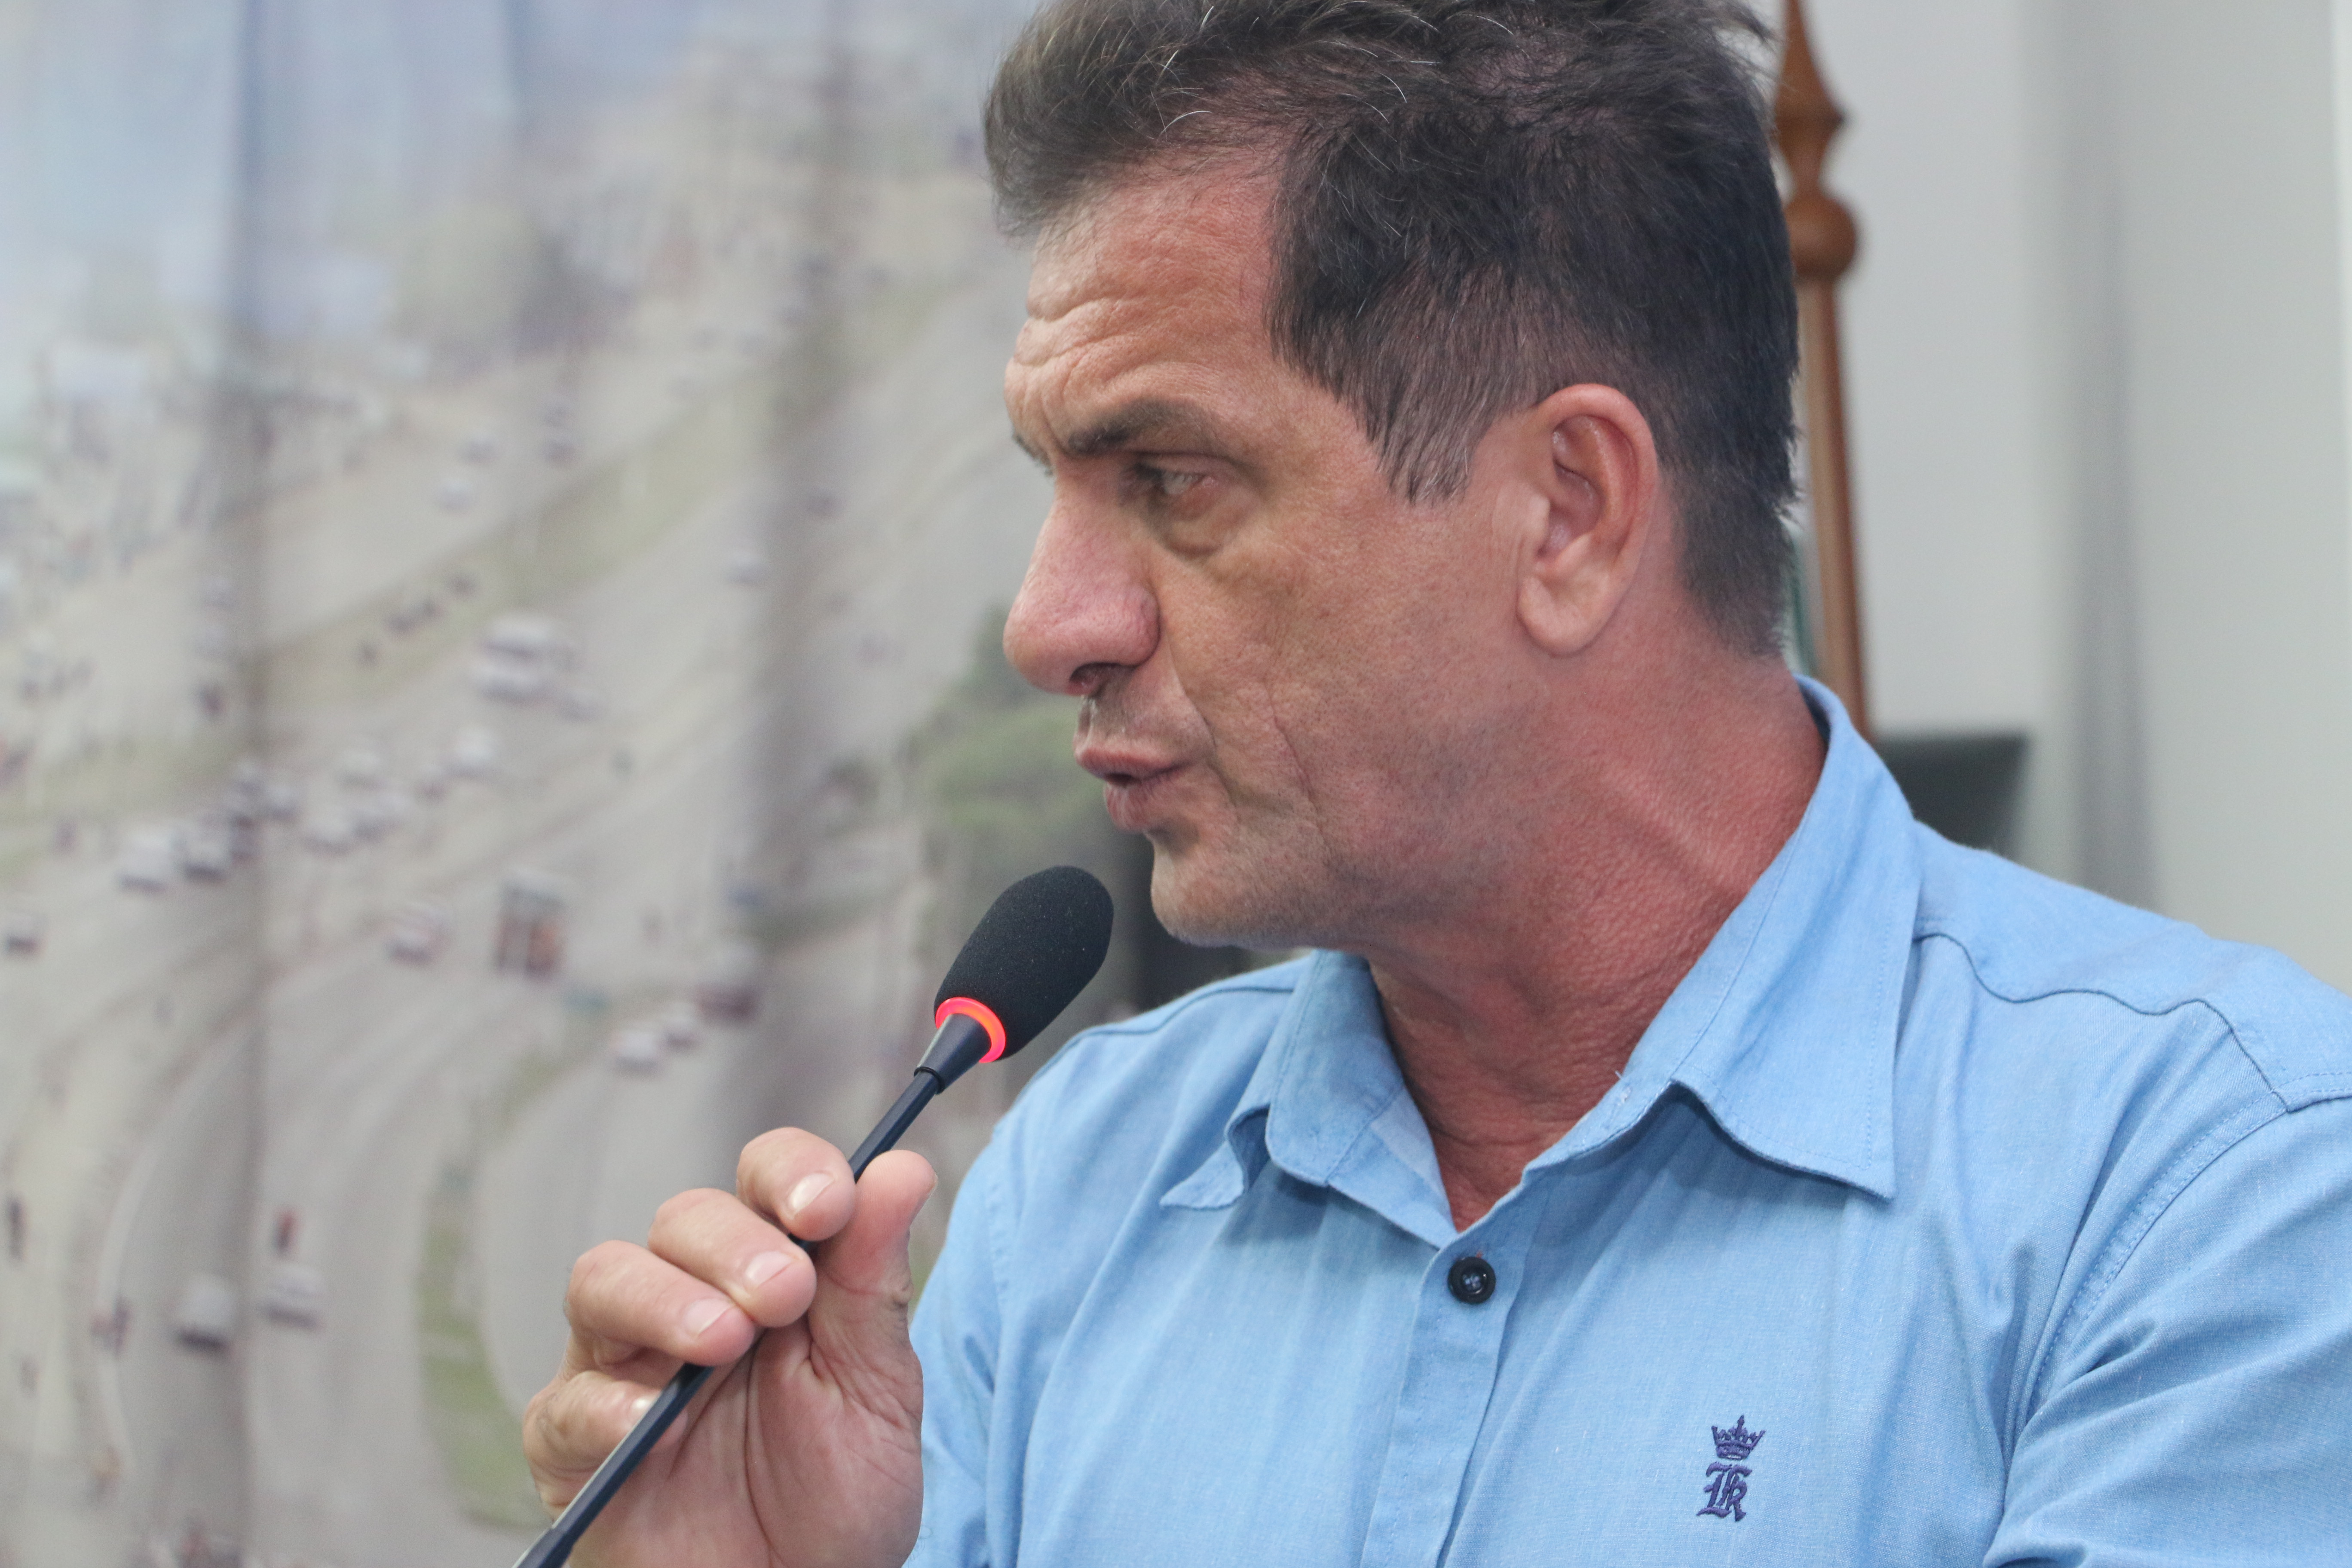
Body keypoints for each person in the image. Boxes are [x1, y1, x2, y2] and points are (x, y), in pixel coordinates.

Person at [523, 1, 2352, 1562]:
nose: (1050, 624)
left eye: (1173, 481)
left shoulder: (2212, 1191)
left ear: (1568, 514)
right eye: (1056, 486)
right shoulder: (1083, 1186)